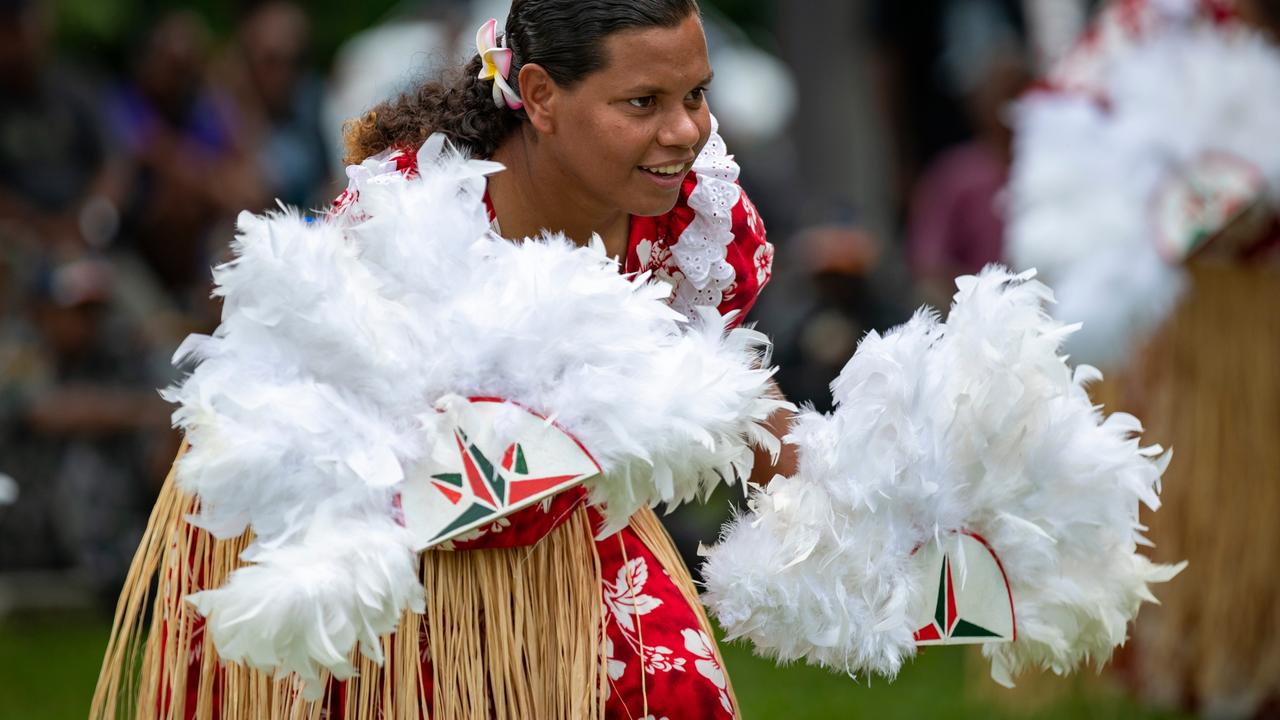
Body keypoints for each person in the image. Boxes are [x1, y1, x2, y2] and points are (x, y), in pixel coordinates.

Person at [92, 2, 794, 718]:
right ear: (543, 97)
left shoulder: (688, 209)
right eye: (644, 102)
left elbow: (724, 374)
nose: (685, 132)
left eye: (696, 95)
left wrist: (847, 492)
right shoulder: (404, 222)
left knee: (675, 697)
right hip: (373, 534)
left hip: (567, 526)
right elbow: (309, 425)